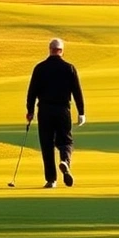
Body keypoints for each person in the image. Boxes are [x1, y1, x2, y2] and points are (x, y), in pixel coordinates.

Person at [26, 38, 86, 188]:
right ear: (62, 51)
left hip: (45, 111)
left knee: (47, 144)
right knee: (65, 141)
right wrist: (81, 112)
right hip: (63, 110)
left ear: (50, 49)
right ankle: (65, 161)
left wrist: (30, 111)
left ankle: (51, 180)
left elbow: (32, 91)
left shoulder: (40, 68)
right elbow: (77, 92)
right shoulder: (69, 68)